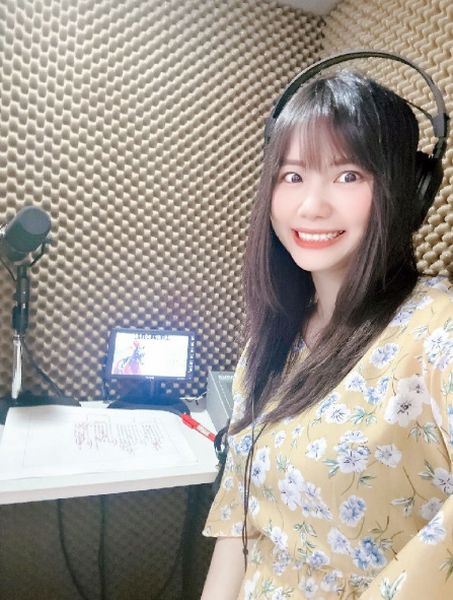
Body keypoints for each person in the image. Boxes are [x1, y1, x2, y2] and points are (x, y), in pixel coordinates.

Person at [201, 56, 453, 600]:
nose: (312, 206)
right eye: (292, 176)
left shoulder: (437, 331)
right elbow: (240, 527)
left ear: (410, 190)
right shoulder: (271, 343)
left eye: (348, 175)